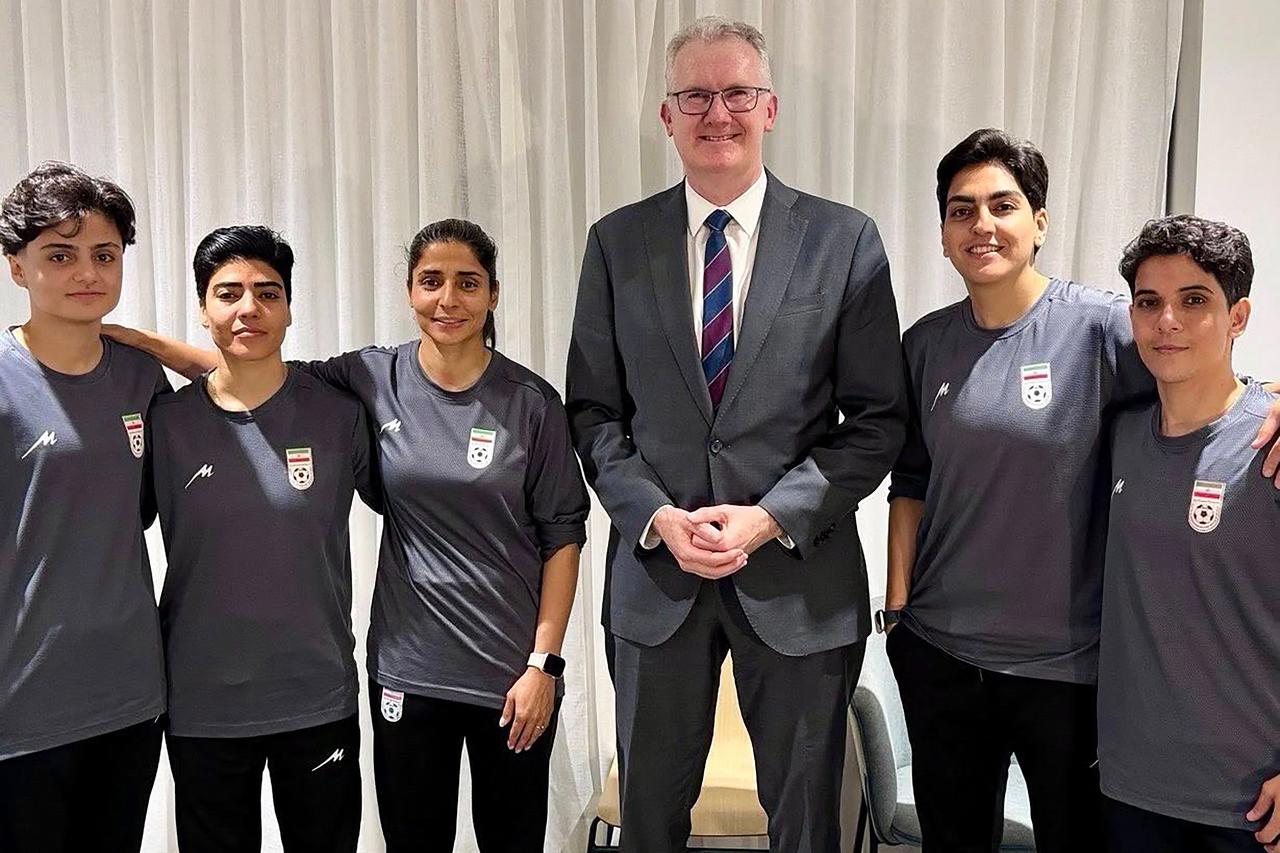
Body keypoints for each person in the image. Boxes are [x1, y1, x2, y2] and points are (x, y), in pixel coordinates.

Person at [105, 217, 588, 852]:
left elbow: (564, 532)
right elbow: (250, 371)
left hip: (488, 675)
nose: (449, 299)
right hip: (382, 675)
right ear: (409, 291)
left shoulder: (521, 401)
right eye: (431, 281)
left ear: (493, 294)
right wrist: (143, 344)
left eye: (468, 283)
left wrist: (544, 662)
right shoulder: (360, 382)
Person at [884, 130, 1280, 853]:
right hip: (941, 657)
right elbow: (909, 480)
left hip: (1067, 671)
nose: (982, 225)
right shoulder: (925, 343)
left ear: (1039, 221)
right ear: (942, 233)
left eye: (1002, 205)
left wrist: (1276, 396)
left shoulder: (1103, 327)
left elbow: (1201, 378)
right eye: (961, 210)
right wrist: (897, 609)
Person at [565, 16, 907, 853]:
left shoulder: (844, 239)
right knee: (649, 820)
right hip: (657, 584)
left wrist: (770, 516)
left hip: (799, 580)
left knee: (804, 825)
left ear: (770, 107)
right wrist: (653, 515)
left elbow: (876, 420)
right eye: (695, 96)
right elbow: (594, 414)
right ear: (666, 115)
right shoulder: (617, 243)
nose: (718, 113)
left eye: (737, 94)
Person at [149, 226, 379, 852]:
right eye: (228, 293)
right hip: (201, 701)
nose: (248, 308)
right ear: (203, 308)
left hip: (316, 696)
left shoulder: (338, 414)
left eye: (266, 292)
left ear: (288, 307)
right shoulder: (165, 422)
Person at [0, 162, 168, 852]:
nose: (87, 273)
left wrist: (156, 345)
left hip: (130, 696)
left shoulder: (138, 375)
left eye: (105, 254)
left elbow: (240, 387)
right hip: (21, 703)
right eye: (59, 255)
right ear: (17, 267)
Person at [1099, 215, 1280, 853]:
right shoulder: (1117, 436)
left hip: (1251, 801)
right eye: (1149, 303)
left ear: (1239, 317)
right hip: (1130, 787)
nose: (1166, 321)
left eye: (1194, 300)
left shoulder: (1271, 444)